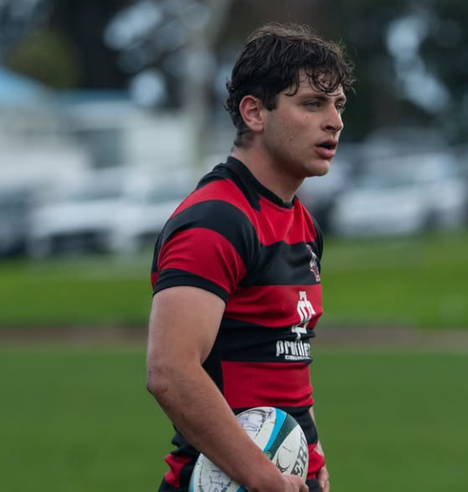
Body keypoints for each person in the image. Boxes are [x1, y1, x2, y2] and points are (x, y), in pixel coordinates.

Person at [146, 22, 355, 492]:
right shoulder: (216, 221)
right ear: (255, 112)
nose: (335, 121)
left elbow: (284, 363)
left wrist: (313, 457)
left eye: (338, 104)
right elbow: (171, 372)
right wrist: (263, 477)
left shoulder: (302, 223)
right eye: (312, 104)